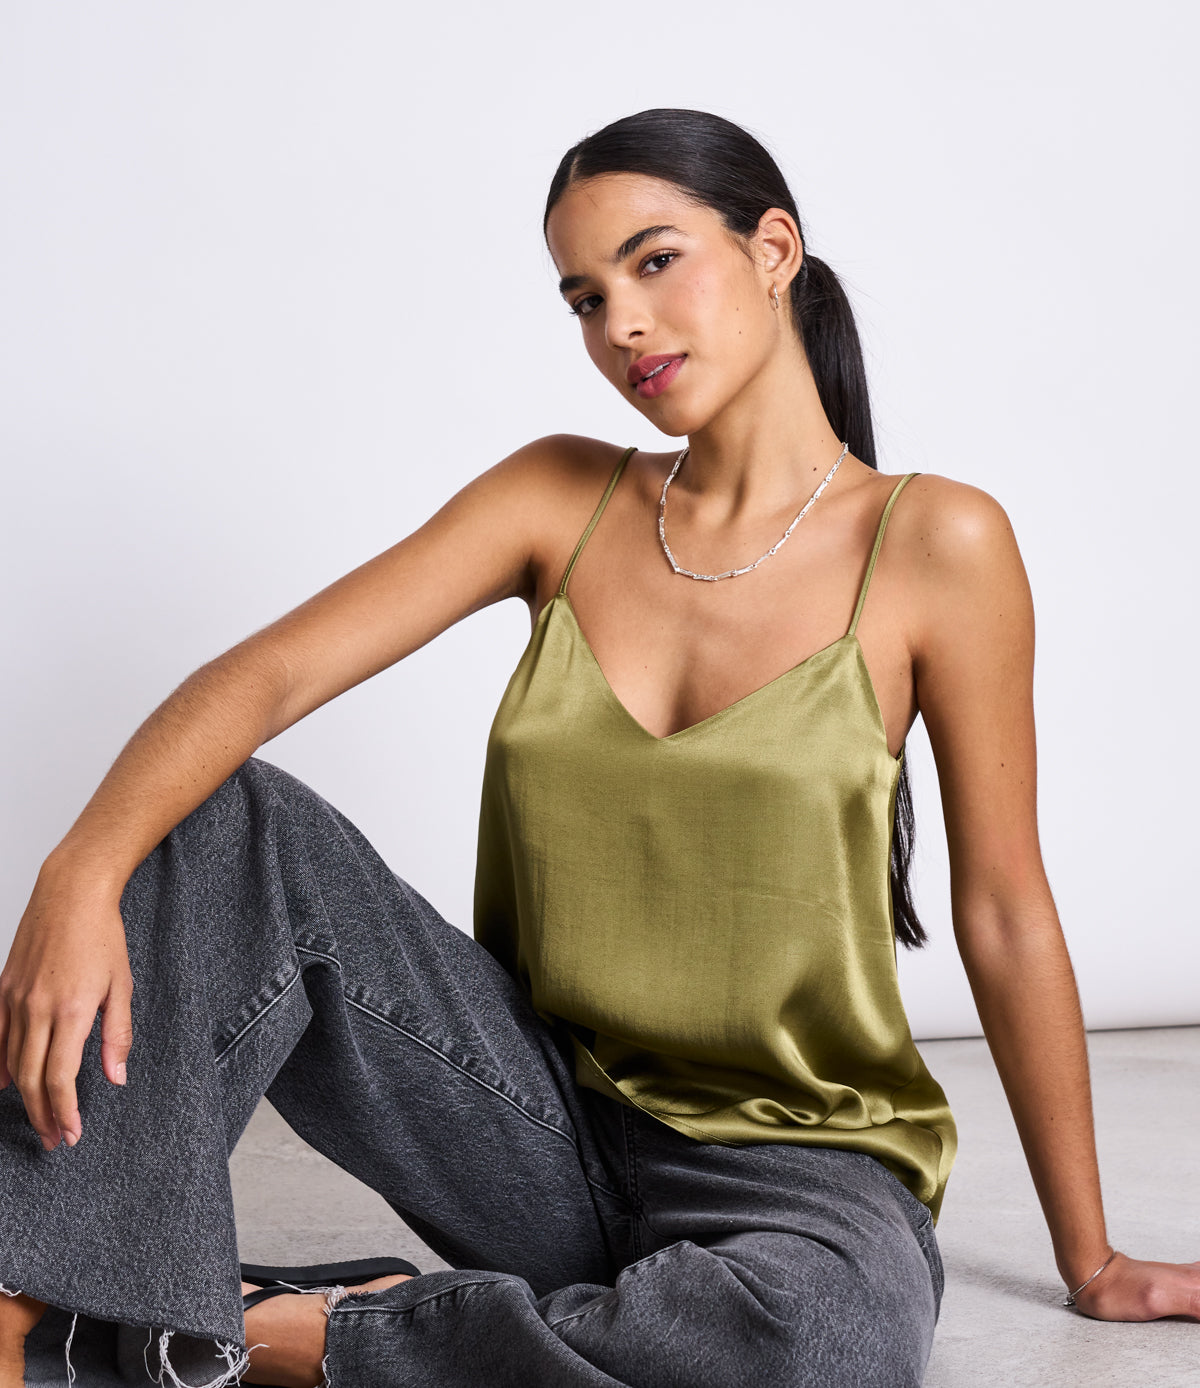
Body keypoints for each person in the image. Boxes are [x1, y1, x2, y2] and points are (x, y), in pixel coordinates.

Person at [0, 107, 1196, 1388]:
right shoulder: (558, 497)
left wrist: (1091, 1258)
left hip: (799, 1174)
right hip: (529, 1124)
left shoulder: (937, 543)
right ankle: (35, 1304)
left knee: (821, 1344)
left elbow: (1005, 910)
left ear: (774, 249)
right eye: (584, 297)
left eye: (654, 261)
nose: (620, 323)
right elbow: (269, 674)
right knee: (223, 821)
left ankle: (272, 1335)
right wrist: (79, 870)